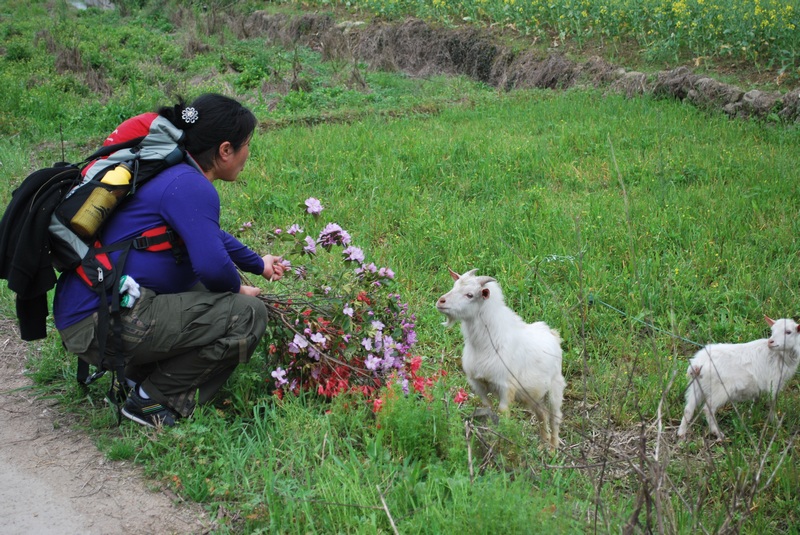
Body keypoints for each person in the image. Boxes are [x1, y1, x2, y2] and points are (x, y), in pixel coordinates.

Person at [53, 93, 285, 427]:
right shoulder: (190, 186)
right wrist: (236, 289)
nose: (249, 152)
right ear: (224, 150)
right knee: (246, 316)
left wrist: (256, 264)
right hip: (96, 321)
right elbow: (214, 268)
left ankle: (137, 379)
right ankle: (151, 403)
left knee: (207, 293)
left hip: (90, 312)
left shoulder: (172, 174)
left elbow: (206, 235)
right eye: (247, 143)